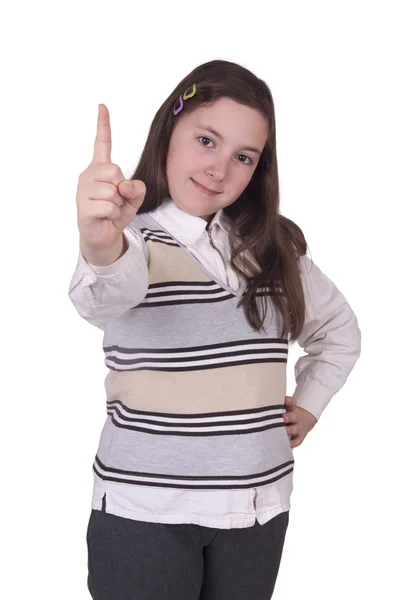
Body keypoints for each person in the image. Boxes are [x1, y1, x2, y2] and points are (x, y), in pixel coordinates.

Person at [68, 59, 362, 600]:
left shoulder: (276, 248)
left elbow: (339, 330)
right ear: (168, 132)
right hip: (146, 514)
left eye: (243, 156)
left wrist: (312, 403)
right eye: (206, 140)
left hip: (258, 510)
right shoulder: (131, 240)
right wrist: (98, 240)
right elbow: (104, 292)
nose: (219, 169)